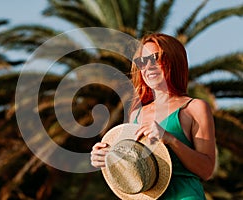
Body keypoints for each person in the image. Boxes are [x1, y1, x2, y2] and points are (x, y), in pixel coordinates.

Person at [90, 33, 216, 199]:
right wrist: (106, 157)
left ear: (174, 60)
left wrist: (171, 139)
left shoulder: (194, 108)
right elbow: (133, 163)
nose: (148, 66)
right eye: (142, 61)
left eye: (155, 58)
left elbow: (206, 170)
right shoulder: (136, 114)